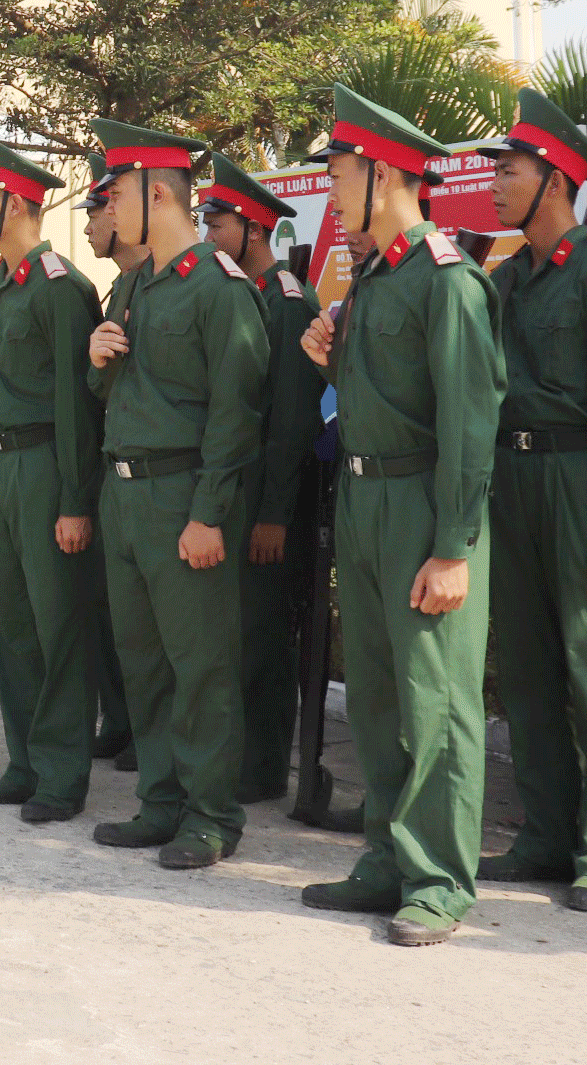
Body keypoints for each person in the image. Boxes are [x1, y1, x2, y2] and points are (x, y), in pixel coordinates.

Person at [297, 84, 505, 947]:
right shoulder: (375, 279)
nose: (332, 192)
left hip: (425, 505)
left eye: (339, 173)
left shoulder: (445, 279)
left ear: (381, 173)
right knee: (378, 693)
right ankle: (386, 855)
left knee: (436, 701)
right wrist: (328, 361)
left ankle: (441, 879)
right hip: (365, 495)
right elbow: (375, 400)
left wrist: (453, 545)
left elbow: (469, 418)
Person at [479, 88, 587, 913]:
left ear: (556, 181)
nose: (496, 185)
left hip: (580, 483)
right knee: (526, 670)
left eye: (509, 172)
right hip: (511, 483)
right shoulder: (507, 278)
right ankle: (546, 836)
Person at [85, 121, 268, 869]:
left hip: (182, 494)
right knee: (145, 663)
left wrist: (207, 515)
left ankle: (210, 815)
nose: (105, 205)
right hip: (124, 493)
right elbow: (121, 389)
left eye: (115, 193)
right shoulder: (132, 284)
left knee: (200, 666)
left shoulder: (217, 287)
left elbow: (238, 411)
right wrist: (97, 358)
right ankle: (160, 803)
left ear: (157, 193)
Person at [0, 134, 102, 821]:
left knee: (56, 626)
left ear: (16, 204)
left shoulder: (60, 289)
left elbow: (76, 409)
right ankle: (24, 760)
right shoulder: (2, 288)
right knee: (10, 625)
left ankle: (61, 774)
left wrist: (75, 500)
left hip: (45, 466)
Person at [196, 153, 326, 805]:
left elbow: (293, 420)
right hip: (238, 491)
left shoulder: (287, 303)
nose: (205, 235)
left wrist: (273, 511)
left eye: (215, 224)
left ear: (251, 229)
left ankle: (266, 767)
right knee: (236, 630)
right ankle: (242, 756)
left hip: (270, 500)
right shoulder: (241, 296)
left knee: (266, 634)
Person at [73, 158, 138, 770]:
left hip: (150, 474)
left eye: (95, 213)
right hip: (110, 464)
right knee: (111, 611)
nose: (91, 227)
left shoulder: (145, 281)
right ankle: (121, 719)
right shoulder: (118, 288)